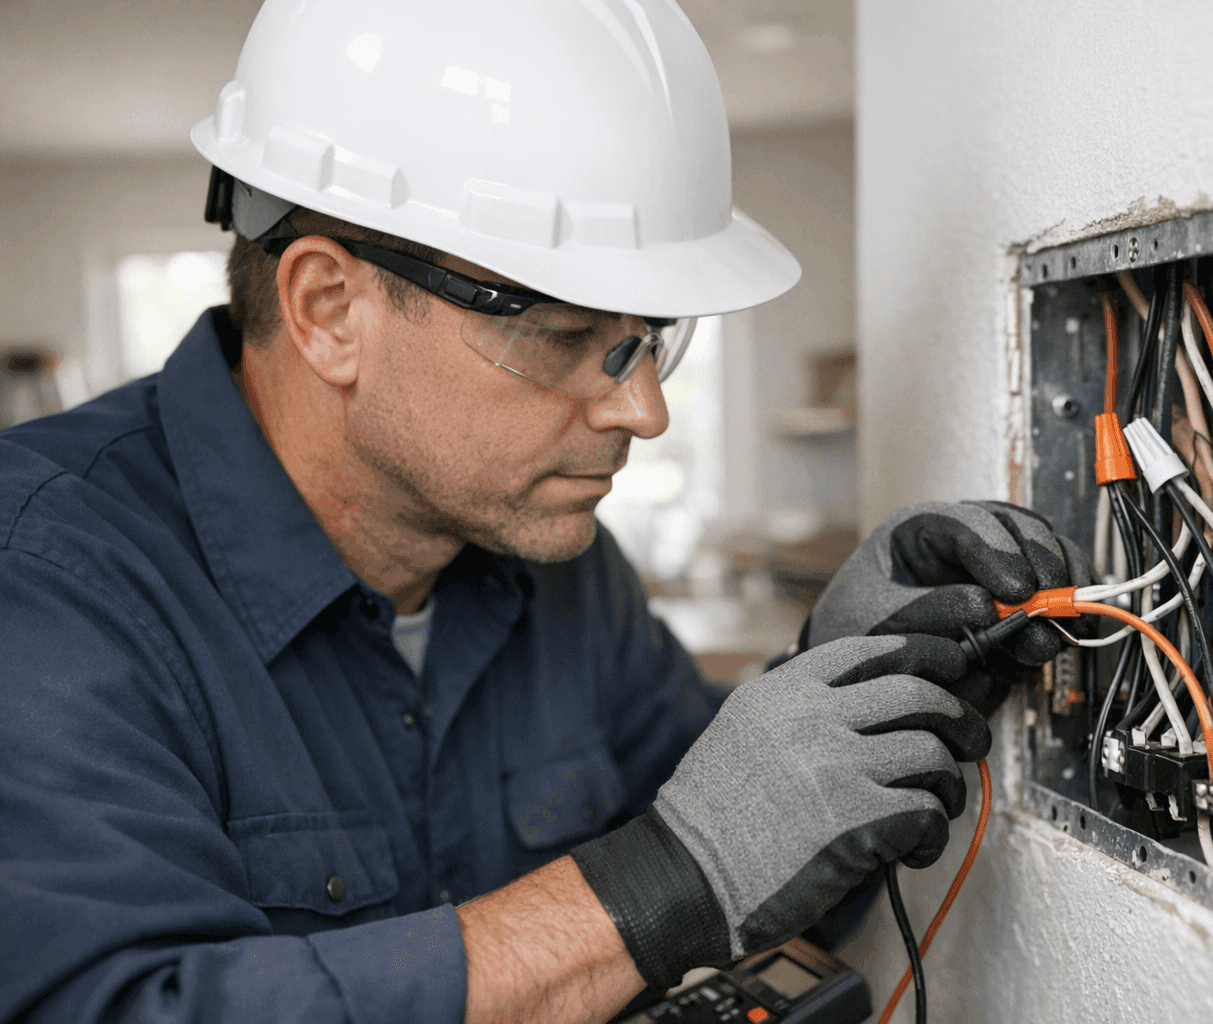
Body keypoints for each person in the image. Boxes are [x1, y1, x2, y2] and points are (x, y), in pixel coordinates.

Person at [0, 2, 1090, 1021]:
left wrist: (842, 675)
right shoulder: (47, 586)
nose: (645, 406)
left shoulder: (563, 570)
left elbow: (750, 868)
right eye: (568, 337)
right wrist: (659, 880)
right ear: (331, 309)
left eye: (648, 337)